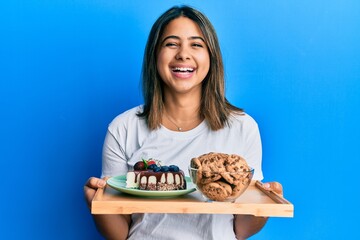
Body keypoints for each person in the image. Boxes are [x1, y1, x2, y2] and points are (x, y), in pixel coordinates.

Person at [84, 5, 283, 240]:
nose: (183, 54)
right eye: (171, 43)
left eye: (196, 44)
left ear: (211, 57)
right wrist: (95, 204)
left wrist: (265, 206)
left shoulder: (243, 128)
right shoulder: (123, 128)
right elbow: (119, 234)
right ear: (154, 55)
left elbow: (241, 229)